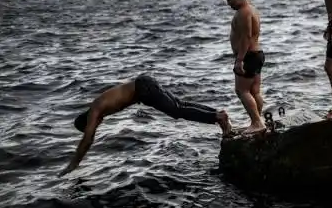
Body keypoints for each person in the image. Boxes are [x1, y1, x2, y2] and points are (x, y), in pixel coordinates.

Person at [59, 74, 233, 176]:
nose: (96, 125)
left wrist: (73, 164)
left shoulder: (95, 110)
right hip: (144, 85)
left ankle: (217, 117)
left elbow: (87, 139)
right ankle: (219, 115)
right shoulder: (97, 109)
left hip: (143, 88)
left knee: (177, 111)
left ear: (87, 120)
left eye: (92, 124)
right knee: (178, 106)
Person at [224, 0, 266, 134]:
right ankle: (257, 122)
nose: (228, 4)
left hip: (248, 56)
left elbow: (246, 37)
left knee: (242, 91)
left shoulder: (243, 12)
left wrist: (239, 60)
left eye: (229, 0)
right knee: (254, 91)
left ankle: (256, 122)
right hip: (257, 54)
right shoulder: (252, 9)